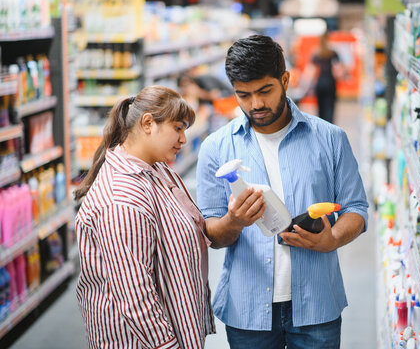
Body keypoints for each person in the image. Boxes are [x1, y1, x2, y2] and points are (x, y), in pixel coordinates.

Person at [196, 35, 368, 348]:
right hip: (248, 310)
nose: (255, 104)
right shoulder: (216, 148)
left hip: (316, 303)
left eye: (265, 91)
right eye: (243, 95)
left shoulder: (330, 139)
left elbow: (356, 208)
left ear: (285, 80)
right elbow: (212, 233)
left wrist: (332, 239)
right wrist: (234, 221)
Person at [74, 86, 215, 348]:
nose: (184, 139)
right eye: (178, 128)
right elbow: (136, 296)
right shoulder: (122, 200)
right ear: (148, 123)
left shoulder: (155, 169)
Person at [310, 31, 344, 123]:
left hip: (320, 83)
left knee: (320, 110)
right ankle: (330, 131)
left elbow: (311, 71)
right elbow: (338, 70)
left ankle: (321, 131)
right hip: (330, 83)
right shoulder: (333, 53)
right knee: (330, 110)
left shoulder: (316, 53)